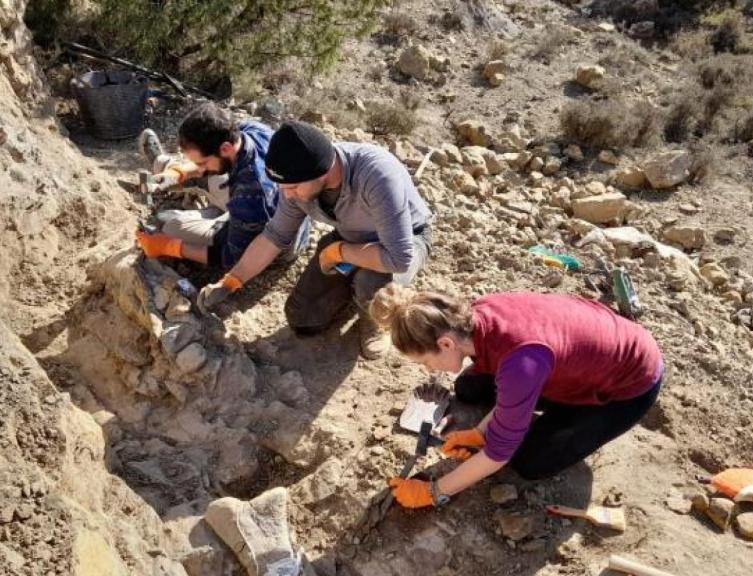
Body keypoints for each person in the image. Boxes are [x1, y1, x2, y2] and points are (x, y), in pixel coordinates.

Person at [369, 286, 664, 508]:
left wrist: (434, 492)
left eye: (425, 361)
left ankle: (566, 417)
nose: (429, 369)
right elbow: (515, 377)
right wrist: (480, 432)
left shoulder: (520, 362)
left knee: (529, 462)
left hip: (626, 387)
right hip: (567, 360)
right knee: (470, 388)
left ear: (445, 343)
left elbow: (498, 455)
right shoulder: (475, 317)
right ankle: (536, 411)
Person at [196, 121, 433, 359]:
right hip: (350, 235)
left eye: (293, 187)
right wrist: (231, 281)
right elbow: (274, 236)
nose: (287, 194)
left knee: (369, 281)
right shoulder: (295, 178)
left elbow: (399, 258)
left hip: (403, 241)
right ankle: (353, 287)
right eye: (283, 186)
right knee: (303, 318)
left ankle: (374, 318)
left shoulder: (376, 176)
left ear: (324, 172)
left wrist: (339, 252)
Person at [135, 104, 308, 269]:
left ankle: (212, 215)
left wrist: (169, 246)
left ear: (225, 148)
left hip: (271, 248)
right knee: (211, 173)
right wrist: (180, 173)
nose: (199, 167)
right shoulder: (250, 131)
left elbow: (231, 256)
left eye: (202, 162)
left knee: (170, 227)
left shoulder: (251, 192)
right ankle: (165, 167)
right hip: (259, 209)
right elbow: (209, 168)